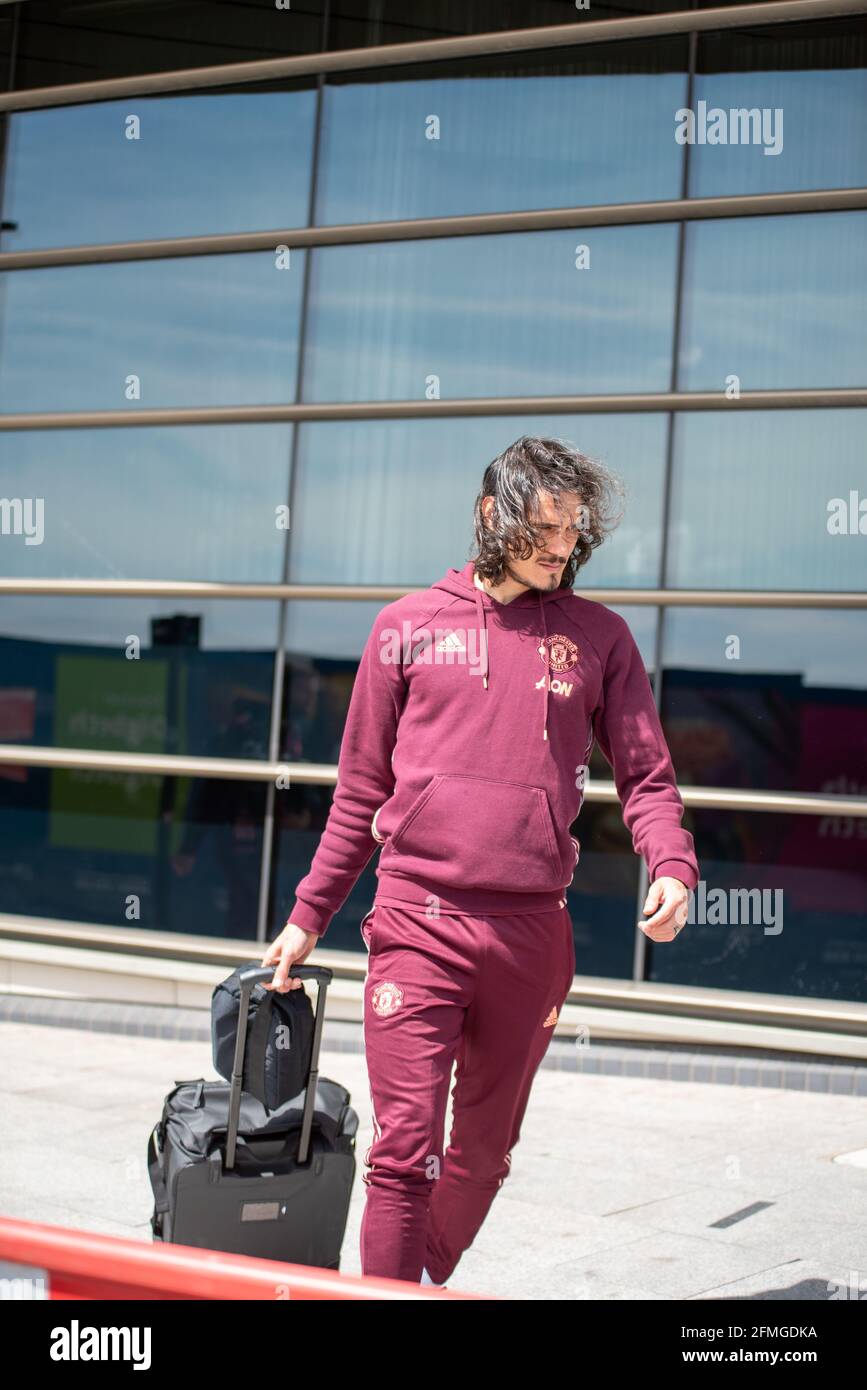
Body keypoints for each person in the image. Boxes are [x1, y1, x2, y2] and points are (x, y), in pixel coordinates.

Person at [261, 435, 699, 1288]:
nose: (559, 549)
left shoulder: (599, 638)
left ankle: (417, 1276)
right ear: (489, 515)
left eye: (571, 532)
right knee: (402, 1153)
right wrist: (307, 915)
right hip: (416, 920)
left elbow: (645, 773)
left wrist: (671, 863)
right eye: (542, 530)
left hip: (531, 934)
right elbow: (357, 795)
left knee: (484, 1154)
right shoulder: (405, 628)